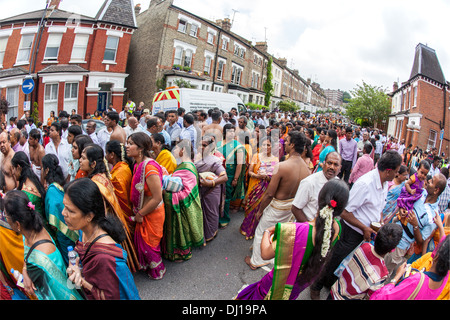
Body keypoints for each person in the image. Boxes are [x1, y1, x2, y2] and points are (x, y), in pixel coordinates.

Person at [310, 150, 402, 299]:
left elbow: (378, 207)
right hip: (350, 231)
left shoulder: (384, 183)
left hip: (365, 232)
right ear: (388, 171)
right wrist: (364, 227)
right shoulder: (366, 183)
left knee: (347, 262)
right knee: (334, 258)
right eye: (396, 172)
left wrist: (380, 221)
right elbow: (344, 212)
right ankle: (316, 286)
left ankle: (329, 282)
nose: (397, 175)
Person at [235, 179, 349, 300]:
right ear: (341, 209)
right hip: (296, 288)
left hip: (273, 288)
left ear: (319, 198)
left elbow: (265, 254)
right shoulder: (337, 229)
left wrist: (267, 231)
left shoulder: (295, 231)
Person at [63, 178, 140, 300]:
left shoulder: (107, 258)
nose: (63, 213)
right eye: (64, 207)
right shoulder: (83, 232)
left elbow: (115, 297)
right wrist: (77, 269)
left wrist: (82, 281)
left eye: (71, 211)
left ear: (89, 216)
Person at [245, 131, 310, 270]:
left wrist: (260, 211)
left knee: (262, 231)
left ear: (292, 145)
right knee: (279, 233)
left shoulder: (281, 166)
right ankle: (271, 256)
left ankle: (255, 261)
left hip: (277, 206)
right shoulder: (306, 168)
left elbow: (269, 194)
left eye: (286, 141)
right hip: (291, 207)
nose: (284, 143)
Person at [3, 190, 83, 300]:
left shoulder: (39, 262)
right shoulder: (32, 229)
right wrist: (25, 269)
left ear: (17, 224)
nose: (4, 217)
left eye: (5, 215)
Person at [79, 143, 139, 273]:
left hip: (105, 222)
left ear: (93, 163)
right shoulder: (101, 176)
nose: (80, 160)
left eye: (83, 158)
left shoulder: (95, 183)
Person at [385, 172, 447, 278]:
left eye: (431, 182)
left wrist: (415, 225)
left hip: (400, 244)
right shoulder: (420, 192)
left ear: (436, 190)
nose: (428, 181)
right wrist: (402, 209)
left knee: (384, 270)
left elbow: (421, 241)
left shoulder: (433, 216)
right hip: (390, 229)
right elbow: (404, 199)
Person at [127, 132, 166, 280]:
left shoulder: (149, 168)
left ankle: (158, 269)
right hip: (143, 211)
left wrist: (140, 214)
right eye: (127, 143)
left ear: (141, 148)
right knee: (143, 243)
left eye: (131, 143)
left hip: (152, 213)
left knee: (150, 245)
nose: (127, 146)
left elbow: (157, 197)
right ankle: (147, 265)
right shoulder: (138, 164)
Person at [331, 223, 403, 300]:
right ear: (392, 250)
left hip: (335, 289)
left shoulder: (365, 246)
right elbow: (370, 296)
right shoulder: (382, 274)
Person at [162, 141, 204, 261]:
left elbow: (187, 193)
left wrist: (166, 194)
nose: (174, 151)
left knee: (181, 230)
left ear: (183, 150)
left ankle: (180, 253)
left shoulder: (187, 167)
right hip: (179, 205)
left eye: (176, 149)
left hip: (182, 207)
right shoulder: (183, 164)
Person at [371, 236, 449, 300]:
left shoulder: (417, 280)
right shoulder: (444, 279)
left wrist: (396, 277)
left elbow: (383, 298)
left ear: (436, 257)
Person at [41, 154, 78, 266]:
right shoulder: (58, 186)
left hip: (62, 231)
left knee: (69, 260)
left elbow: (53, 215)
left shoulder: (52, 189)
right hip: (69, 227)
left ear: (46, 170)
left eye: (42, 168)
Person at [240, 137, 279, 240]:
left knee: (261, 209)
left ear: (272, 146)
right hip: (254, 186)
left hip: (267, 188)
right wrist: (258, 176)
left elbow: (275, 177)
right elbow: (250, 172)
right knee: (250, 207)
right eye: (264, 145)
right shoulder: (256, 156)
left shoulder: (275, 160)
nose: (266, 147)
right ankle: (246, 228)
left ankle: (256, 230)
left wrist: (266, 177)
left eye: (268, 145)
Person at [291, 151, 342, 222]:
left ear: (340, 168)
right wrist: (310, 228)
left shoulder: (338, 184)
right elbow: (295, 208)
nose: (332, 167)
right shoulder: (309, 182)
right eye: (329, 163)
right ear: (323, 164)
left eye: (336, 165)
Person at [195, 135, 228, 242]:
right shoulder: (196, 157)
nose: (201, 147)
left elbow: (224, 177)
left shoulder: (215, 160)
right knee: (202, 212)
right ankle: (203, 233)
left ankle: (211, 233)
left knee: (211, 212)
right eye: (200, 144)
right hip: (200, 189)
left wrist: (211, 183)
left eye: (204, 145)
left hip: (212, 190)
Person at [217, 124, 247, 229]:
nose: (231, 133)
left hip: (229, 176)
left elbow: (239, 164)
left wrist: (235, 179)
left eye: (233, 131)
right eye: (229, 131)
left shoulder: (238, 146)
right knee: (216, 197)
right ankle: (215, 217)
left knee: (226, 198)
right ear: (224, 132)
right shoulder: (219, 144)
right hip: (217, 175)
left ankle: (224, 219)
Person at [11, 151, 47, 226]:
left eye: (13, 168)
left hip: (37, 228)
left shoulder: (27, 191)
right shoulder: (32, 178)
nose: (13, 173)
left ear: (18, 167)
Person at [106, 140, 134, 232]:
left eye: (106, 153)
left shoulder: (118, 173)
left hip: (124, 215)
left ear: (112, 154)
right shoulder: (123, 166)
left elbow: (119, 200)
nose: (105, 156)